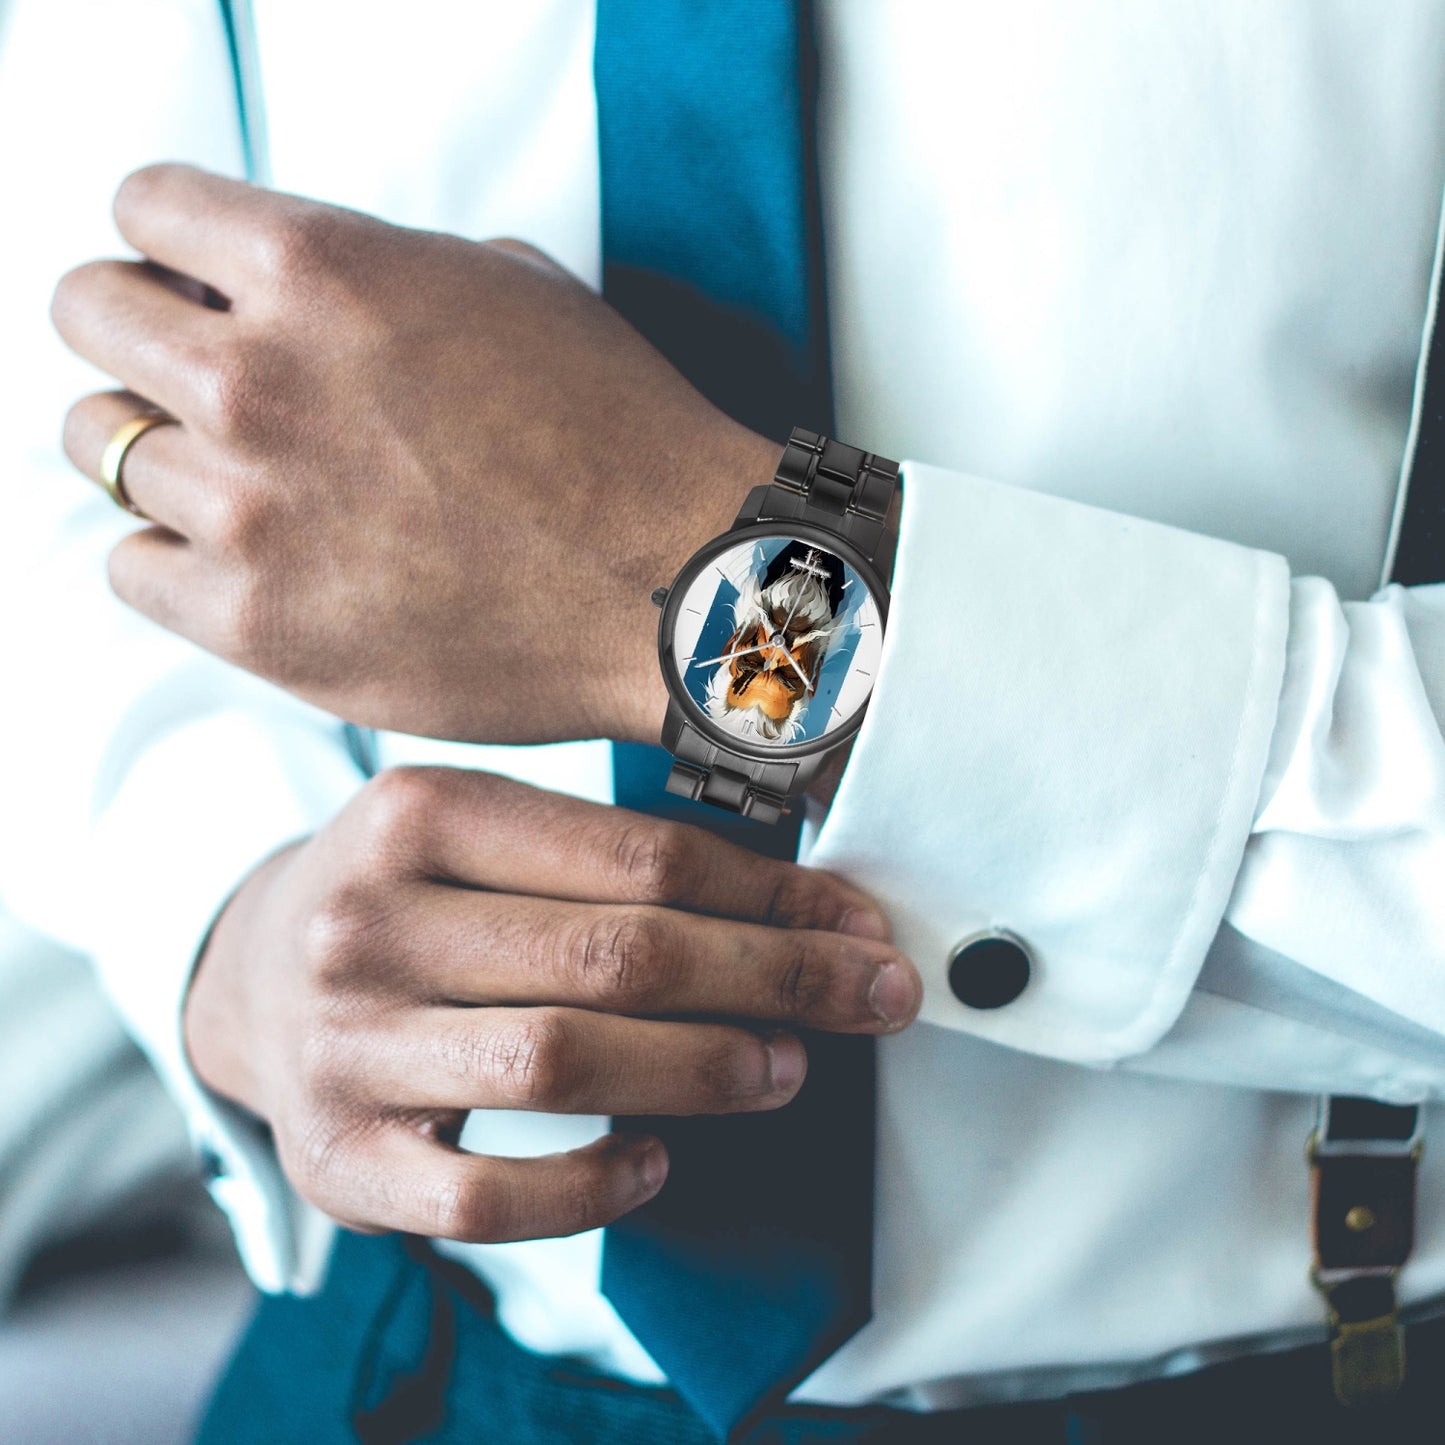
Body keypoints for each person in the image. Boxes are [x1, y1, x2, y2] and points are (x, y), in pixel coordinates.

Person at [2, 1, 1445, 1441]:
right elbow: (68, 424)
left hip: (1311, 1383)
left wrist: (707, 576)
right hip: (401, 1366)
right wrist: (218, 913)